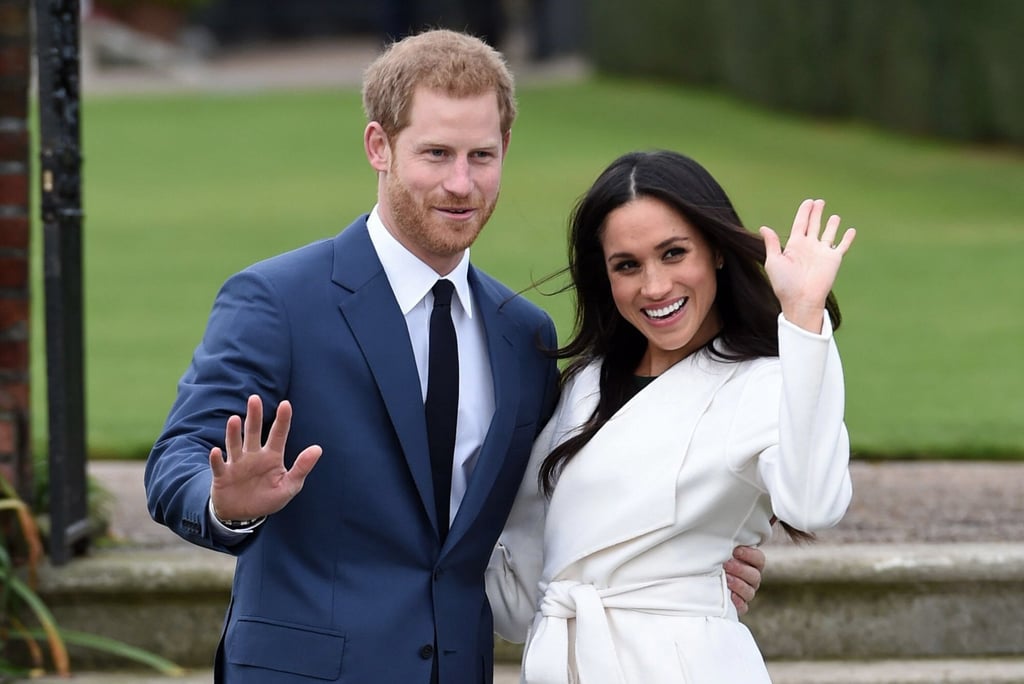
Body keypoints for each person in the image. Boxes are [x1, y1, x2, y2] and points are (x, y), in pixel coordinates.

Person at [144, 31, 765, 684]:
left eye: (481, 156)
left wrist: (680, 560)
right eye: (436, 153)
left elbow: (560, 503)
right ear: (379, 146)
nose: (461, 183)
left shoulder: (523, 335)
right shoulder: (278, 300)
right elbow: (177, 458)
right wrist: (227, 505)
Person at [486, 150, 856, 683]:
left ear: (717, 251)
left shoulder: (764, 382)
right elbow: (518, 597)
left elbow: (815, 504)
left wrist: (802, 315)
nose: (655, 286)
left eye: (674, 253)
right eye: (627, 265)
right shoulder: (585, 386)